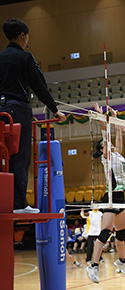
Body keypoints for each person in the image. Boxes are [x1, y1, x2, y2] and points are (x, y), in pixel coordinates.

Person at [0, 18, 66, 214]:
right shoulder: (25, 57)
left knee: (3, 157)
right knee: (19, 156)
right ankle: (19, 204)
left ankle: (6, 201)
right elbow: (39, 86)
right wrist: (55, 109)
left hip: (0, 111)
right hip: (17, 111)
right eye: (27, 36)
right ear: (22, 36)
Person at [86, 103, 125, 283]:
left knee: (121, 233)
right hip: (110, 196)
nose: (109, 144)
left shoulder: (118, 154)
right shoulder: (107, 158)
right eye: (106, 144)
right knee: (106, 231)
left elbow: (118, 134)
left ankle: (121, 262)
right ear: (102, 150)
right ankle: (93, 265)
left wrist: (115, 117)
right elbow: (106, 133)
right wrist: (101, 116)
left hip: (121, 196)